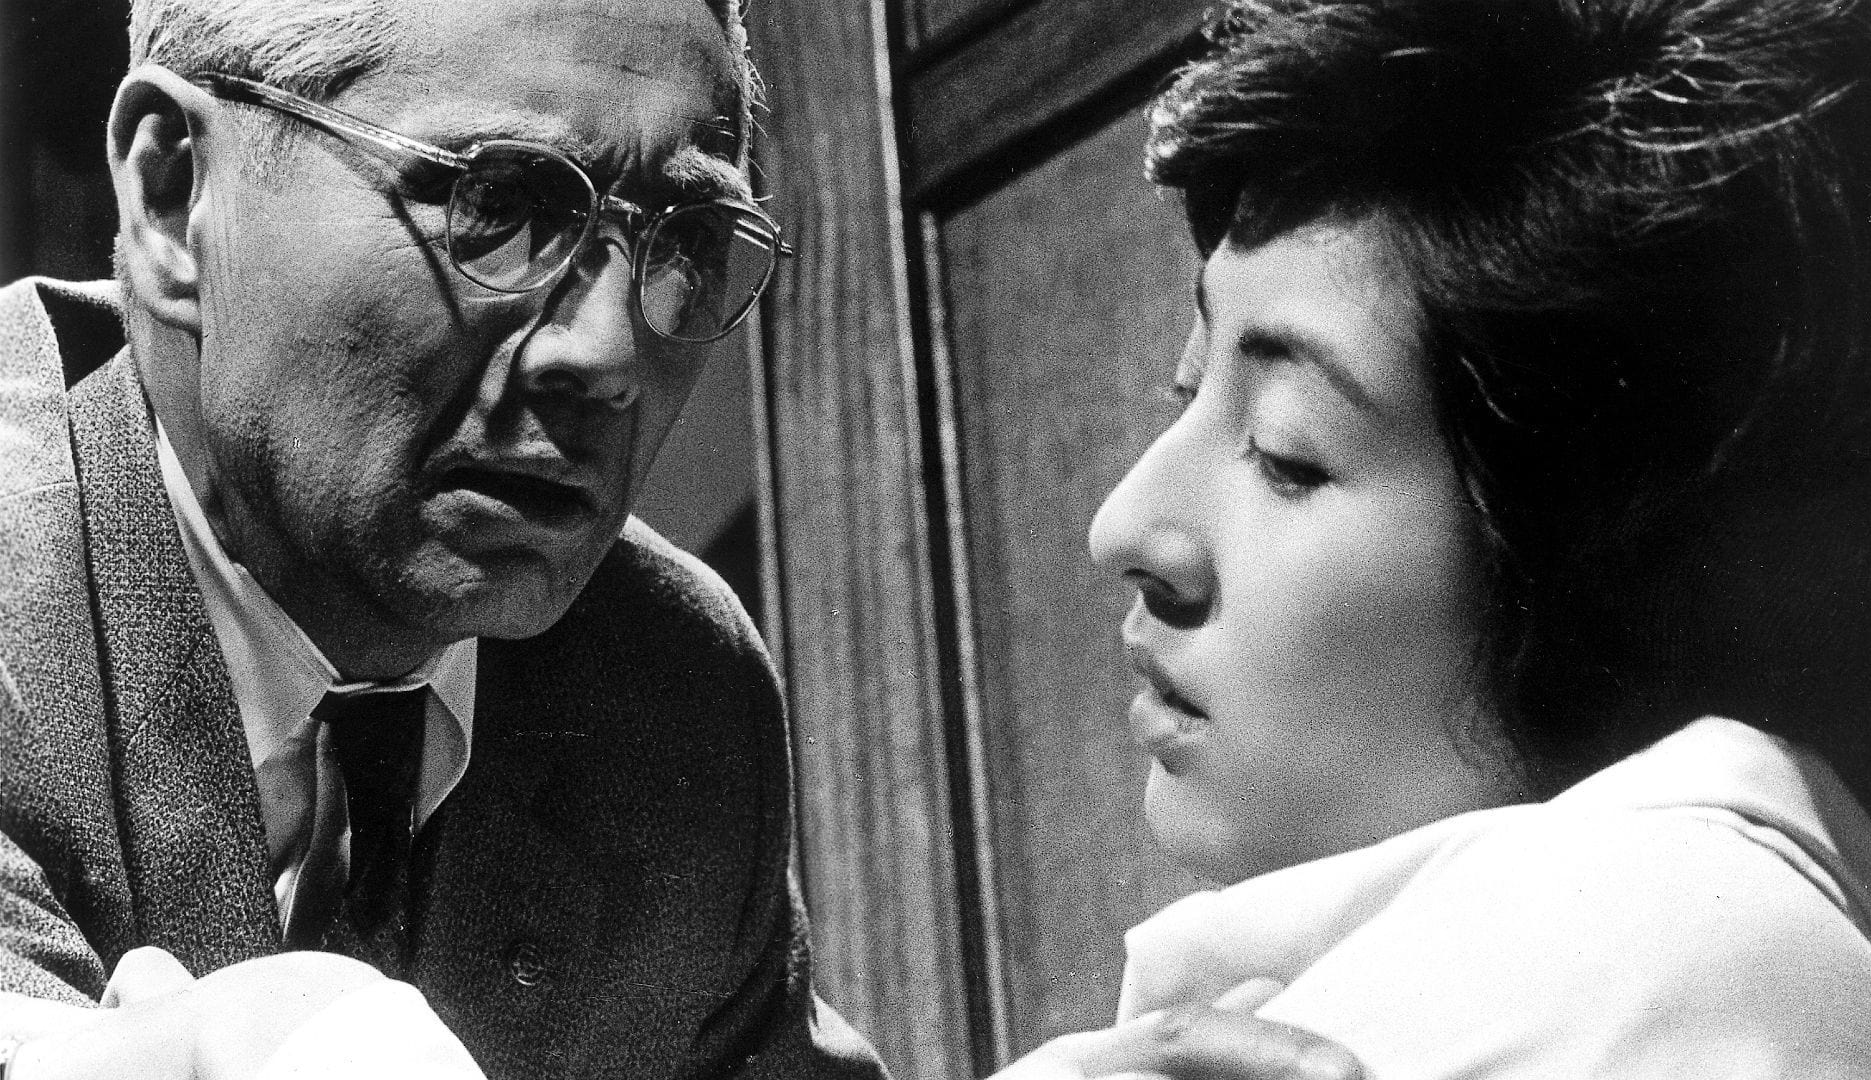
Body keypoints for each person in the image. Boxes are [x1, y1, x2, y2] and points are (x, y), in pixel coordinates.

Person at [0, 1, 1374, 1077]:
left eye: (686, 237)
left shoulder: (667, 693)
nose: (607, 353)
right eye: (499, 203)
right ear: (174, 195)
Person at [1027, 0, 1871, 1075]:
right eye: (1187, 385)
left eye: (1287, 452)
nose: (1123, 526)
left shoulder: (1663, 952)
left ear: (1610, 572)